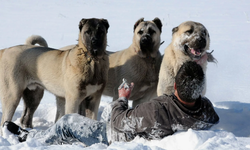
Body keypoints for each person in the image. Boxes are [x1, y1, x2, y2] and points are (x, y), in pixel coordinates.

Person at [2, 61, 219, 146]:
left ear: (174, 87)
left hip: (115, 136)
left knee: (67, 122)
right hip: (144, 128)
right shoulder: (206, 110)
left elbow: (117, 122)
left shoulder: (156, 110)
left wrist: (123, 97)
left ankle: (31, 140)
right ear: (200, 90)